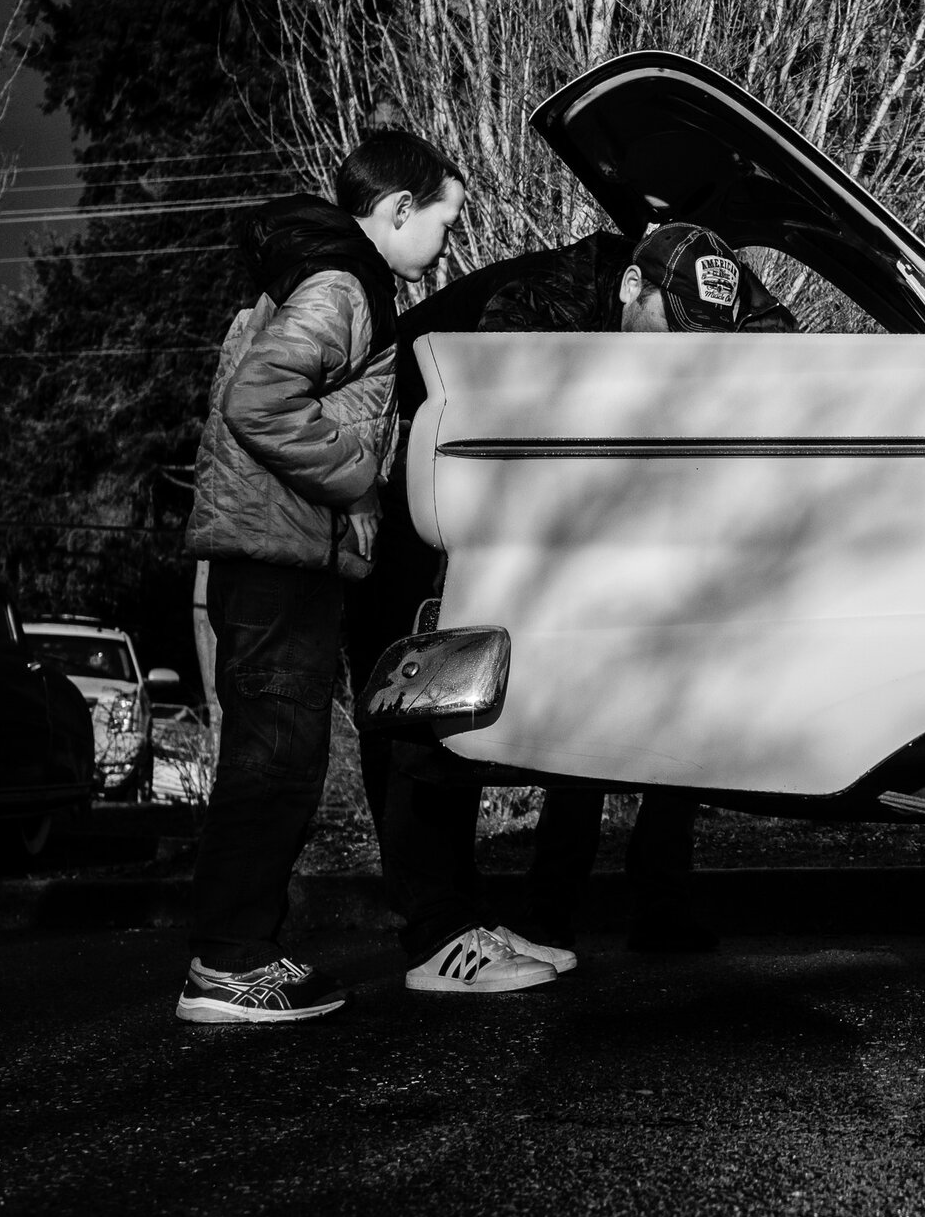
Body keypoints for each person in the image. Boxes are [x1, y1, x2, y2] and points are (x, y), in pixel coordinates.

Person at [362, 221, 793, 980]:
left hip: (578, 504)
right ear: (631, 287)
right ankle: (440, 928)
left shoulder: (709, 277)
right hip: (422, 480)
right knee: (443, 685)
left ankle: (572, 911)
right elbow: (494, 431)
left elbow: (784, 341)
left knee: (642, 686)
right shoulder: (545, 302)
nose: (682, 357)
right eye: (674, 330)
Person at [176, 129, 483, 1023]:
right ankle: (229, 962)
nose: (447, 244)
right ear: (397, 210)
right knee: (274, 763)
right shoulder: (345, 284)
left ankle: (236, 954)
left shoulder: (324, 277)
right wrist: (357, 478)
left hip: (274, 556)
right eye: (444, 221)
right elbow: (260, 398)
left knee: (278, 756)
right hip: (277, 561)